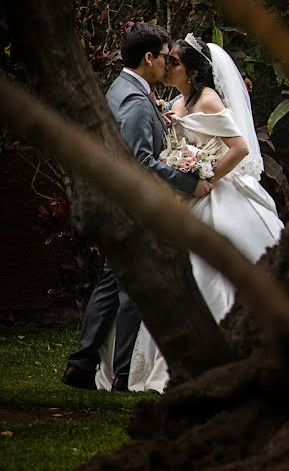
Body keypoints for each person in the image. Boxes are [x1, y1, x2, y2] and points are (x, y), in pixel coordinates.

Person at [97, 33, 283, 393]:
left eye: (175, 62)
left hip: (215, 195)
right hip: (184, 195)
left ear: (193, 72)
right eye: (168, 60)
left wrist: (207, 177)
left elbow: (240, 147)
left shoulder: (209, 100)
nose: (168, 66)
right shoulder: (176, 101)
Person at [62, 23, 213, 392]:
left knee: (112, 284)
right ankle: (123, 373)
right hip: (132, 205)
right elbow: (140, 159)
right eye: (165, 57)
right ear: (149, 58)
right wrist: (189, 183)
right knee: (132, 289)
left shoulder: (127, 89)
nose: (168, 64)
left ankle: (82, 365)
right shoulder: (133, 98)